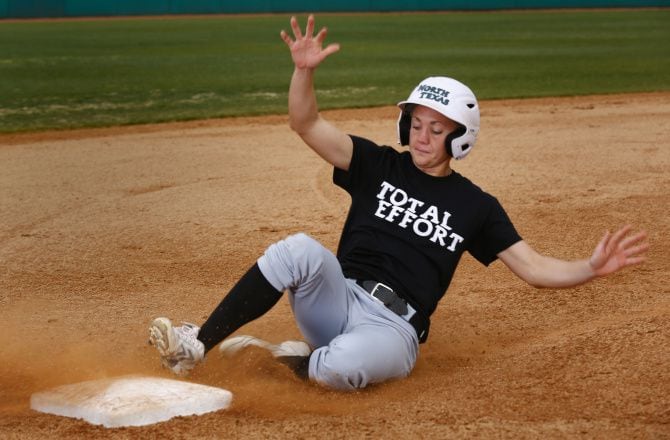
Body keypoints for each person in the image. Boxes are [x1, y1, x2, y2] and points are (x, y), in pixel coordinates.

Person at [148, 15, 649, 391]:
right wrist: (304, 73)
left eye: (437, 128)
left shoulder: (476, 204)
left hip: (394, 327)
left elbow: (534, 267)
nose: (422, 134)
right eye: (415, 122)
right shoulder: (377, 164)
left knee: (342, 368)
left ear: (460, 138)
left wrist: (590, 266)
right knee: (298, 249)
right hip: (337, 297)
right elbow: (306, 125)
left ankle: (287, 361)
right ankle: (198, 342)